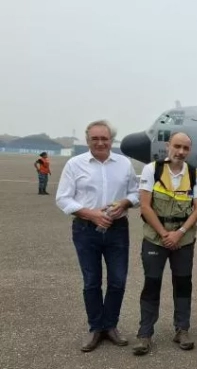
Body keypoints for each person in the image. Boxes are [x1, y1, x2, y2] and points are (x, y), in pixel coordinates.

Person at [55, 120, 139, 352]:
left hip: (117, 229)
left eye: (105, 138)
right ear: (88, 140)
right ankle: (95, 328)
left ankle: (110, 326)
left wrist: (125, 202)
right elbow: (63, 198)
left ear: (111, 140)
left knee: (118, 281)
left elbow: (136, 193)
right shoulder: (75, 164)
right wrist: (91, 214)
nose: (100, 143)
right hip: (85, 230)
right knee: (92, 282)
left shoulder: (124, 164)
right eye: (95, 139)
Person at [132, 132, 197, 356]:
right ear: (168, 146)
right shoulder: (152, 169)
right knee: (151, 284)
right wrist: (165, 234)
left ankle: (182, 329)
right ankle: (145, 334)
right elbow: (145, 206)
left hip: (184, 240)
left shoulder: (194, 174)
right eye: (177, 146)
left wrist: (179, 233)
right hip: (156, 238)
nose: (180, 152)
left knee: (183, 284)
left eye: (185, 148)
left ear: (189, 150)